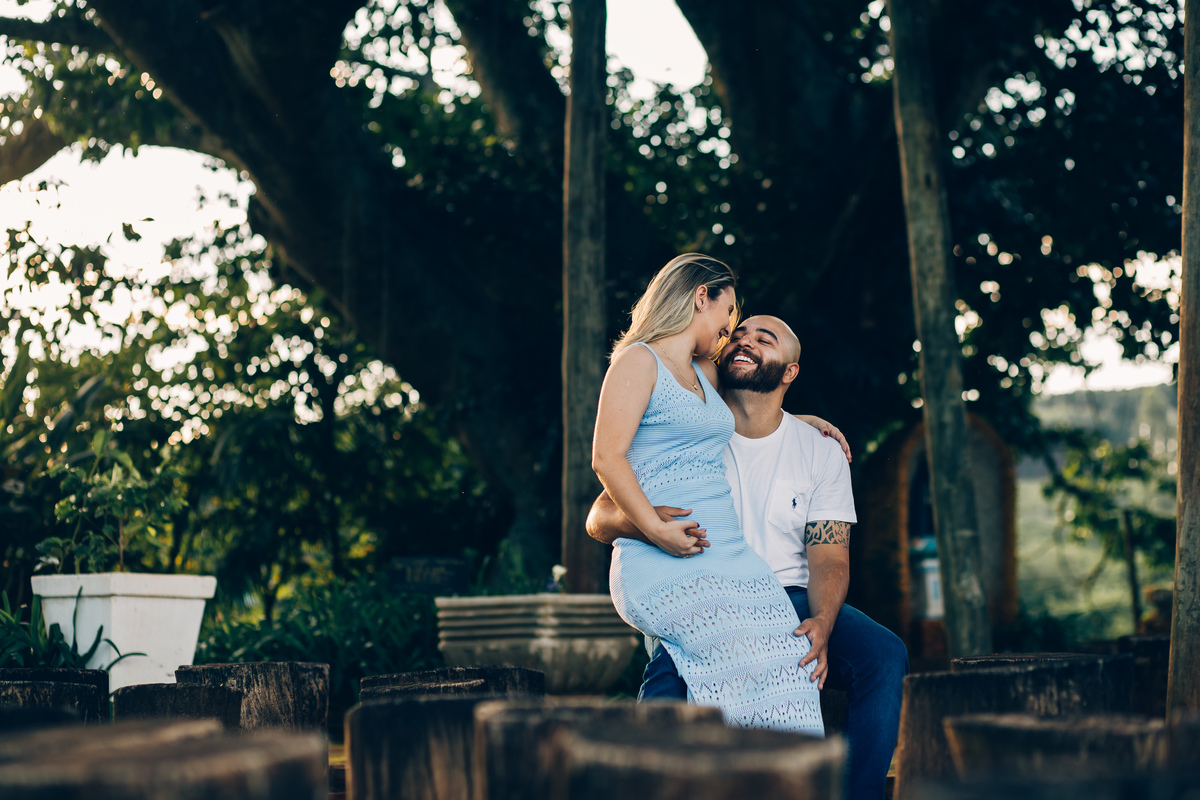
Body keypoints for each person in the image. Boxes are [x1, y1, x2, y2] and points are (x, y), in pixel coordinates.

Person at [588, 313, 909, 800]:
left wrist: (823, 621)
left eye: (766, 338)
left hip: (793, 599)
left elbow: (830, 558)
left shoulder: (819, 451)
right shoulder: (691, 435)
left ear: (789, 372)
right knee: (667, 688)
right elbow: (598, 516)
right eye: (738, 333)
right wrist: (654, 528)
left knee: (884, 655)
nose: (746, 341)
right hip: (705, 597)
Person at [591, 253, 827, 734]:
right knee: (737, 667)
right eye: (729, 313)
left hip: (731, 555)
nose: (729, 328)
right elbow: (606, 458)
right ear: (703, 296)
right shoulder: (639, 360)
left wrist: (800, 425)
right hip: (664, 555)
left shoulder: (705, 371)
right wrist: (655, 529)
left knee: (792, 671)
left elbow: (737, 417)